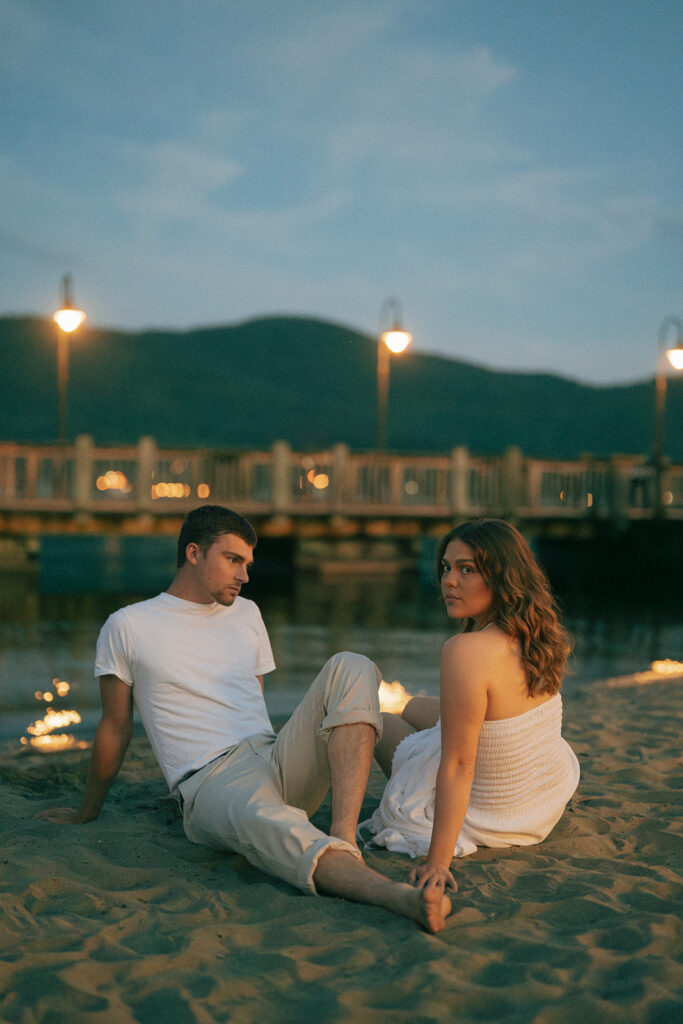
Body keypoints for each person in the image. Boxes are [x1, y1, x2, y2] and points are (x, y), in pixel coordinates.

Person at [36, 505, 451, 933]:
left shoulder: (248, 614)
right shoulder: (127, 625)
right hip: (211, 777)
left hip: (272, 756)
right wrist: (87, 811)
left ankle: (343, 834)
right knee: (271, 823)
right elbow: (115, 727)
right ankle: (397, 898)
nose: (245, 575)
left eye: (248, 564)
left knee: (352, 664)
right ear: (194, 552)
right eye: (233, 560)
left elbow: (253, 701)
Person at [363, 518, 580, 895]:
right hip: (539, 798)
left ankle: (392, 715)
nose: (449, 581)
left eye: (467, 570)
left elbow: (459, 764)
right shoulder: (541, 633)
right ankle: (408, 707)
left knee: (381, 721)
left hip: (493, 811)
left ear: (502, 577)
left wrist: (438, 860)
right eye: (447, 568)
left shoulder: (465, 651)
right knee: (414, 708)